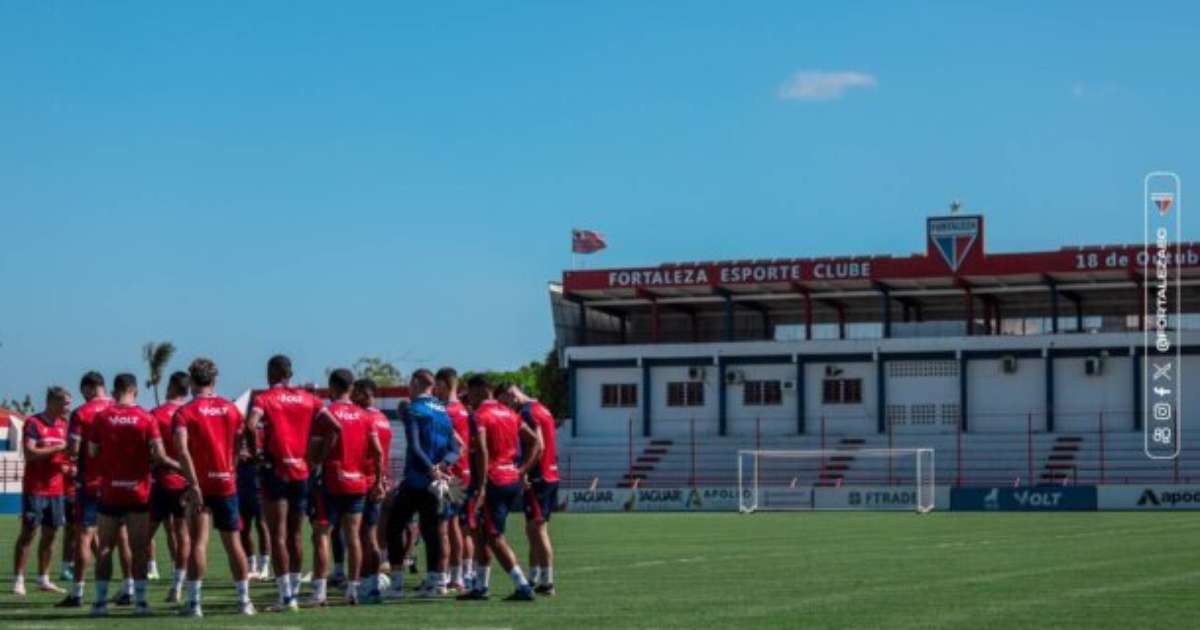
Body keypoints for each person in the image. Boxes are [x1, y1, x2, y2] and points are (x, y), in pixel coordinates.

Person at [243, 354, 335, 611]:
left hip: (277, 470)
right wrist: (319, 458)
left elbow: (250, 426)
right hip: (302, 471)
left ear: (271, 372)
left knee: (278, 535)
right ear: (290, 374)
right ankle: (293, 592)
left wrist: (257, 456)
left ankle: (286, 597)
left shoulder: (264, 398)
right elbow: (335, 427)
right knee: (296, 534)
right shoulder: (309, 399)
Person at [86, 373, 180, 616]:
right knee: (139, 549)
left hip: (110, 492)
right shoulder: (146, 418)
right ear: (134, 391)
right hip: (137, 492)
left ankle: (99, 603)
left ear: (116, 391)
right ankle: (140, 603)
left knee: (105, 548)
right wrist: (183, 469)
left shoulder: (102, 417)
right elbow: (159, 455)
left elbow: (92, 451)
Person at [173, 358, 255, 617]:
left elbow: (182, 451)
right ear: (214, 380)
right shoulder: (231, 409)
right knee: (234, 544)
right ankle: (245, 602)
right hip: (226, 483)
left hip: (201, 484)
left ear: (191, 381)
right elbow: (240, 443)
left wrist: (193, 483)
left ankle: (195, 604)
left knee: (199, 542)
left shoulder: (184, 412)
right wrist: (229, 467)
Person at [305, 369, 384, 606]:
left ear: (332, 386)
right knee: (354, 537)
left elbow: (314, 449)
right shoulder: (365, 416)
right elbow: (378, 451)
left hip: (329, 481)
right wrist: (378, 481)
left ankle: (319, 593)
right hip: (357, 481)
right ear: (351, 388)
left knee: (321, 535)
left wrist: (313, 463)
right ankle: (353, 590)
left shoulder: (325, 414)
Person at [58, 371, 135, 608]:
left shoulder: (81, 413)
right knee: (123, 537)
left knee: (85, 535)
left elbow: (73, 449)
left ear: (89, 388)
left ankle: (78, 593)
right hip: (117, 483)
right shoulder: (120, 409)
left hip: (90, 483)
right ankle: (128, 589)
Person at [458, 375, 539, 601]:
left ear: (481, 391)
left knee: (494, 535)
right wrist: (521, 470)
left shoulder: (479, 416)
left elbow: (482, 450)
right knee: (481, 533)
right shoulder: (510, 414)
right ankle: (481, 586)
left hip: (492, 481)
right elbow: (535, 442)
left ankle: (522, 585)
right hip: (510, 478)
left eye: (470, 393)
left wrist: (482, 484)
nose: (468, 398)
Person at [384, 369, 460, 599]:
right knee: (433, 531)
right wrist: (442, 466)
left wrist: (430, 469)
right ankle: (437, 583)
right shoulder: (443, 412)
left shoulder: (413, 408)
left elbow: (415, 447)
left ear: (416, 382)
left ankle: (396, 585)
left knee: (394, 526)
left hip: (418, 478)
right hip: (438, 481)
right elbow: (456, 449)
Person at [498, 382, 560, 595]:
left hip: (538, 477)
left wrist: (522, 471)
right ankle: (534, 576)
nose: (506, 408)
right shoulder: (541, 408)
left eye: (504, 402)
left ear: (511, 394)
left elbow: (539, 445)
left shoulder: (526, 413)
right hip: (550, 474)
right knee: (532, 528)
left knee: (538, 529)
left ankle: (548, 581)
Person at [13, 386, 71, 596]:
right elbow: (30, 454)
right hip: (35, 488)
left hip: (57, 490)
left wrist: (68, 465)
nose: (68, 407)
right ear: (51, 401)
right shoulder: (34, 423)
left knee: (51, 534)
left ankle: (43, 579)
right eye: (64, 403)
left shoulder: (64, 426)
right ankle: (19, 579)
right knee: (28, 533)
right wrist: (58, 449)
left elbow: (66, 456)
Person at [148, 371, 191, 603]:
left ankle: (134, 586)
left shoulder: (156, 414)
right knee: (183, 535)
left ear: (173, 386)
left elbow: (151, 451)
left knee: (143, 536)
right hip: (185, 484)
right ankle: (177, 585)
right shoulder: (192, 412)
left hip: (161, 482)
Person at [353, 378, 393, 602]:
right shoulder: (383, 419)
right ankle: (369, 581)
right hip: (379, 479)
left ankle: (368, 581)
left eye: (355, 393)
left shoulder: (365, 418)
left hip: (365, 480)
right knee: (370, 534)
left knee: (363, 535)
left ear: (362, 394)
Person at [436, 368, 474, 592]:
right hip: (464, 472)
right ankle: (463, 574)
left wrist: (441, 465)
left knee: (448, 527)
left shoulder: (447, 411)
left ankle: (452, 576)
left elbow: (454, 444)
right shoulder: (462, 409)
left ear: (442, 384)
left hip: (451, 474)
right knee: (461, 527)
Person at [236, 423, 271, 581]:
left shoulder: (263, 429)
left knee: (262, 523)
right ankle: (252, 565)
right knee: (244, 526)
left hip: (258, 479)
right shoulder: (236, 430)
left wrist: (256, 456)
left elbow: (268, 452)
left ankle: (265, 566)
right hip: (240, 480)